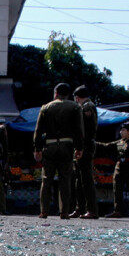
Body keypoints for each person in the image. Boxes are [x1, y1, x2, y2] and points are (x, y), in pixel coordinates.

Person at [33, 83, 84, 219]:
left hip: (49, 146)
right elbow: (79, 130)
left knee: (46, 179)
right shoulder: (75, 107)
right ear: (68, 94)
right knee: (65, 180)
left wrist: (37, 149)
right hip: (67, 146)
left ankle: (44, 211)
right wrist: (79, 148)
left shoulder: (46, 107)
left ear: (55, 93)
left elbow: (38, 131)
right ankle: (64, 211)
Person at [97, 122, 129, 218]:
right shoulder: (120, 141)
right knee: (117, 188)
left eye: (123, 130)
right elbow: (107, 146)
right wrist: (94, 143)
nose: (121, 132)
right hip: (120, 166)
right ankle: (117, 210)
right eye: (121, 130)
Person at [70, 85, 99, 219]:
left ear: (76, 97)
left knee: (86, 178)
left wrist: (80, 147)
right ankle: (80, 208)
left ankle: (91, 210)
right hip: (83, 144)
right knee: (79, 178)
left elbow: (85, 129)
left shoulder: (87, 106)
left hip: (85, 144)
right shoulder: (88, 105)